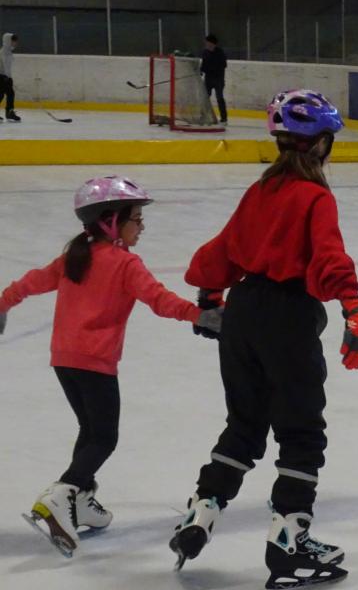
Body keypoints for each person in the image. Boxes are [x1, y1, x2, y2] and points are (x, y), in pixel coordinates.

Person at [171, 89, 358, 590]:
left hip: (242, 314)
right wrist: (355, 311)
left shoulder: (259, 191)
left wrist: (210, 294)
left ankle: (202, 511)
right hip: (288, 317)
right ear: (321, 144)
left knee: (244, 425)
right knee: (301, 432)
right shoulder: (315, 197)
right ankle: (290, 539)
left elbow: (223, 249)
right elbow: (329, 259)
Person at [0, 176, 220, 556]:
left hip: (64, 360)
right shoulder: (124, 264)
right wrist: (199, 316)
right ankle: (64, 492)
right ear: (110, 222)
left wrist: (3, 302)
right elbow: (159, 299)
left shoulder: (75, 256)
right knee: (104, 437)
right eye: (136, 218)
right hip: (96, 362)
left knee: (90, 430)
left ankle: (81, 498)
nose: (142, 226)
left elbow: (31, 282)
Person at [200, 33, 227, 125]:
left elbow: (223, 65)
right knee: (205, 97)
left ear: (213, 44)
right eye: (206, 43)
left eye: (208, 43)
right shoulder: (205, 52)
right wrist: (201, 70)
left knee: (219, 97)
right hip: (208, 79)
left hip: (218, 79)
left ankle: (224, 118)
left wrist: (212, 69)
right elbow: (203, 64)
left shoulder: (220, 53)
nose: (206, 44)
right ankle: (203, 116)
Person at [1, 33, 20, 122]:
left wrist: (9, 77)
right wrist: (6, 77)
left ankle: (9, 112)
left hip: (6, 77)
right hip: (2, 76)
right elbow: (5, 65)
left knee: (10, 94)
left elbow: (8, 66)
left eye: (15, 41)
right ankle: (9, 112)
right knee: (2, 94)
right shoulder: (4, 51)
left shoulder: (8, 52)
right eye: (13, 41)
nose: (15, 43)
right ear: (8, 41)